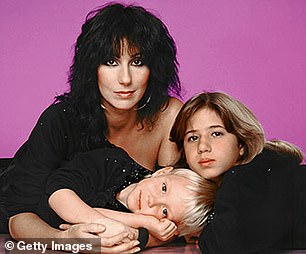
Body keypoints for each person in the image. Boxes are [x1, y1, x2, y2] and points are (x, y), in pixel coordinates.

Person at [1, 2, 183, 253]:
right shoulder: (61, 120)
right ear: (91, 69)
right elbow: (17, 220)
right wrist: (68, 241)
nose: (125, 79)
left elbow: (179, 215)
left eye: (138, 62)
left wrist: (131, 237)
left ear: (154, 69)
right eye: (110, 61)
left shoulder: (169, 116)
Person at [170, 91, 306, 253]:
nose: (203, 147)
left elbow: (225, 246)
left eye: (216, 134)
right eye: (193, 138)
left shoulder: (247, 177)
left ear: (241, 144)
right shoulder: (243, 185)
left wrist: (201, 231)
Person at [35, 146, 216, 250]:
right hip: (20, 185)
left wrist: (144, 223)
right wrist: (145, 221)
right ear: (162, 172)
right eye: (163, 188)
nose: (152, 201)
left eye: (164, 211)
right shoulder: (114, 162)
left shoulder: (146, 228)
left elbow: (92, 220)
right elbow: (58, 195)